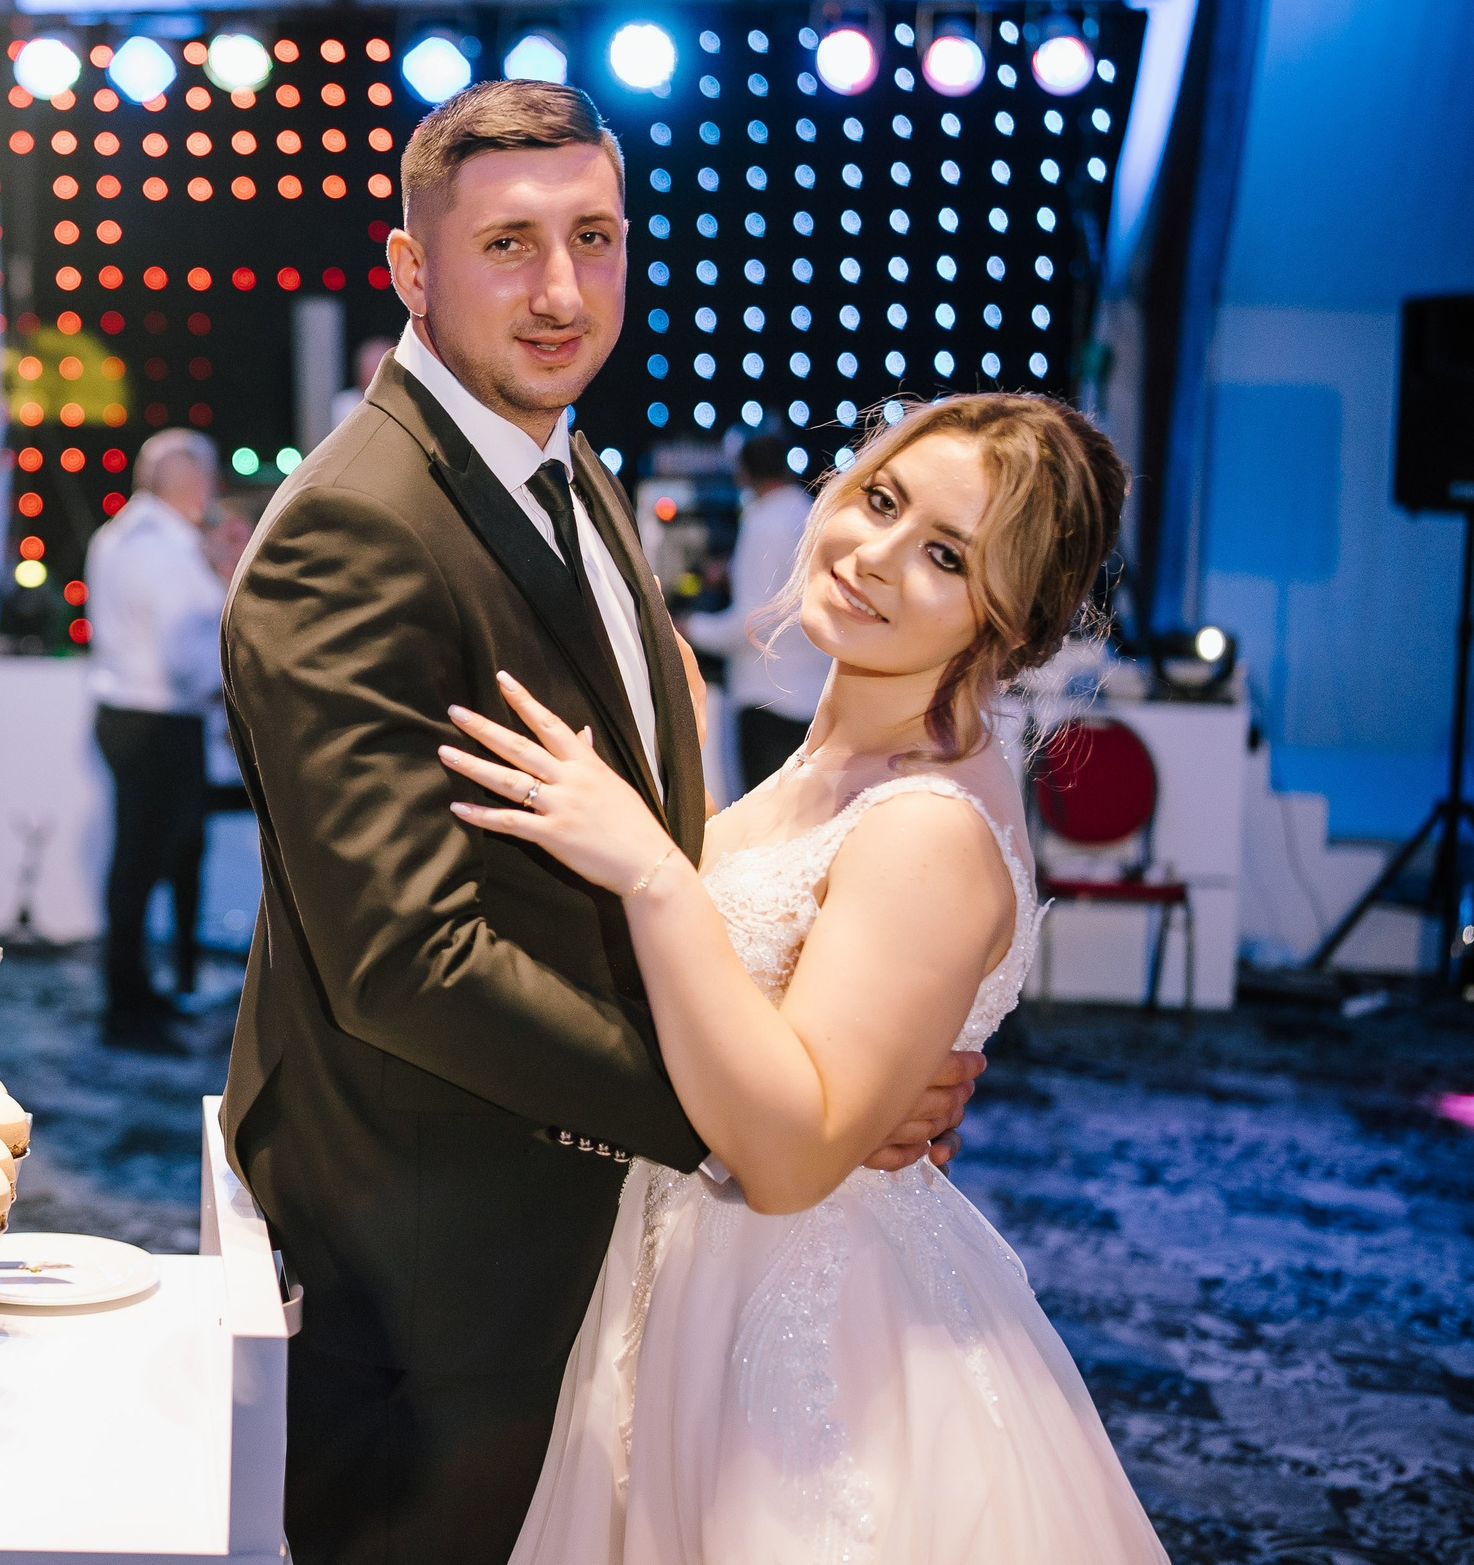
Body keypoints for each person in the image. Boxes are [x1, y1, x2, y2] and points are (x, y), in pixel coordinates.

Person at [217, 79, 981, 1564]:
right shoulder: (355, 528)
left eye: (597, 235)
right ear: (409, 268)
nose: (564, 289)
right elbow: (410, 959)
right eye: (509, 243)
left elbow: (652, 834)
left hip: (576, 1217)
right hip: (438, 1243)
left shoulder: (569, 467)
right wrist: (767, 1122)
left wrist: (828, 1047)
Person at [446, 395, 1164, 1562]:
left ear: (1013, 623)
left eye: (944, 555)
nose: (873, 555)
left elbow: (787, 1160)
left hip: (806, 1329)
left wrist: (650, 870)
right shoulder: (832, 761)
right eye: (879, 500)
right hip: (687, 1282)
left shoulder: (925, 823)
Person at [85, 427, 228, 1049]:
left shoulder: (117, 534)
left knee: (139, 864)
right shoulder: (164, 548)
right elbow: (186, 655)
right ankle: (129, 1006)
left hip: (129, 715)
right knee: (145, 865)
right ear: (193, 483)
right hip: (160, 722)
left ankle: (137, 994)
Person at [678, 431, 831, 796]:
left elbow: (751, 624)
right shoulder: (808, 512)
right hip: (815, 698)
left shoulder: (762, 522)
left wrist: (685, 626)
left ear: (743, 473)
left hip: (769, 697)